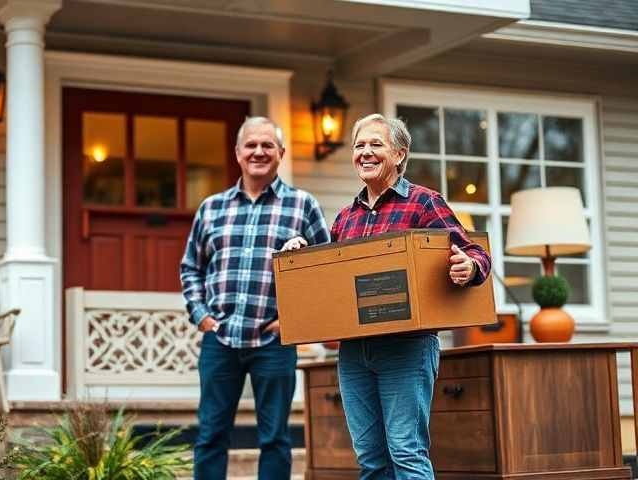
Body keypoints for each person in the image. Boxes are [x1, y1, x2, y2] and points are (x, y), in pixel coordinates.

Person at [331, 113, 491, 479]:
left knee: (406, 451)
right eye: (359, 145)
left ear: (400, 155)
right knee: (370, 458)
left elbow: (474, 252)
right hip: (355, 353)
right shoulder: (345, 218)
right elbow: (331, 279)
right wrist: (301, 249)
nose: (365, 153)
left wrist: (470, 266)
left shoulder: (423, 203)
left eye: (376, 144)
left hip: (407, 349)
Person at [180, 116, 331, 480]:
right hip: (221, 338)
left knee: (275, 438)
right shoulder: (211, 208)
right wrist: (202, 316)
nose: (258, 152)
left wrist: (293, 320)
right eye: (251, 145)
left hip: (274, 340)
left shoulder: (302, 205)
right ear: (237, 153)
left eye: (267, 145)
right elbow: (191, 268)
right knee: (211, 435)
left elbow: (326, 271)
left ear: (281, 153)